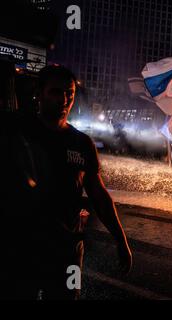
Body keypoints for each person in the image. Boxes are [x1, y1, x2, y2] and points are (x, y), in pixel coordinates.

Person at [1, 65, 132, 300]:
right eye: (56, 92)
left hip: (67, 252)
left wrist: (121, 240)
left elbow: (98, 195)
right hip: (22, 248)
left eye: (70, 93)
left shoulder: (82, 143)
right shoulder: (18, 132)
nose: (64, 100)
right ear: (39, 94)